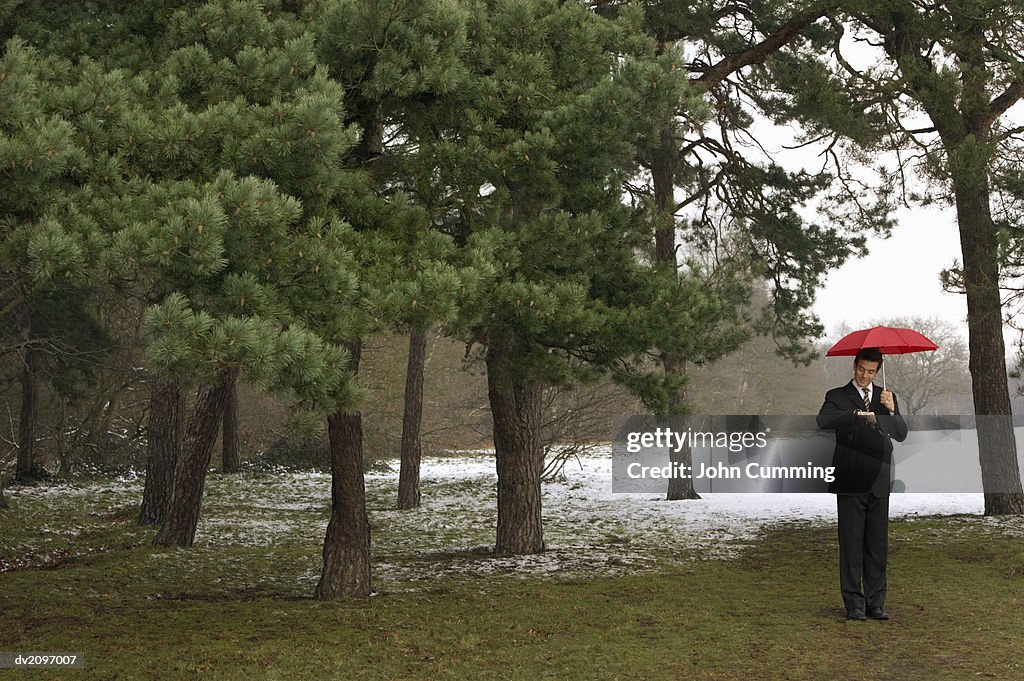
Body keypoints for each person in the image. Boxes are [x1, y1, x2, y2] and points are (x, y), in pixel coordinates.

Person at [816, 347, 908, 621]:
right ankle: (854, 604)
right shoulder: (837, 396)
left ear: (877, 370)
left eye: (870, 371)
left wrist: (892, 412)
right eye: (861, 369)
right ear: (854, 366)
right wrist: (855, 416)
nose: (865, 375)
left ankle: (875, 603)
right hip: (851, 476)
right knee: (852, 542)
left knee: (877, 544)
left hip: (879, 478)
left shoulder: (885, 397)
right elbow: (823, 421)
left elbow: (901, 434)